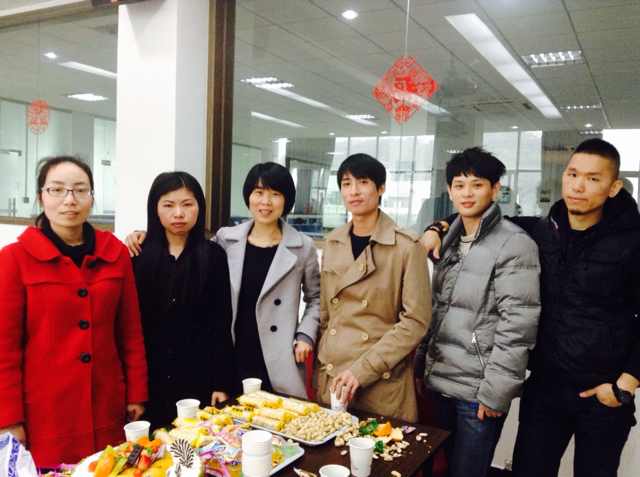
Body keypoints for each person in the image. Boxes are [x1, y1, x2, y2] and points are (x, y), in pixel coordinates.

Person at [420, 139, 640, 477]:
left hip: (602, 391)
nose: (578, 186)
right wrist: (437, 227)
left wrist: (625, 385)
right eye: (573, 174)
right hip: (545, 387)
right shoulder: (542, 230)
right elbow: (476, 212)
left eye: (593, 178)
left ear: (614, 187)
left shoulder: (631, 242)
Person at [0, 156, 147, 467]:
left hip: (106, 404)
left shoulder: (115, 254)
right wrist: (9, 419)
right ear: (41, 196)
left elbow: (130, 332)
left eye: (80, 190)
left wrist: (136, 393)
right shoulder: (14, 259)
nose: (70, 200)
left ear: (92, 198)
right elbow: (5, 349)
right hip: (46, 414)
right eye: (57, 190)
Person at [127, 162, 320, 398]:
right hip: (234, 347)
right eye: (259, 192)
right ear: (248, 196)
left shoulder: (303, 247)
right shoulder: (226, 239)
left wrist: (305, 335)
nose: (266, 202)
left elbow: (316, 298)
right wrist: (145, 236)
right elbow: (182, 250)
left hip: (276, 351)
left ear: (286, 200)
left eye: (275, 194)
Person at [414, 148, 540, 477]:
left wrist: (496, 393)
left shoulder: (514, 244)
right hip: (438, 382)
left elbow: (518, 325)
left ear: (495, 189)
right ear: (449, 191)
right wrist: (421, 364)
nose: (467, 193)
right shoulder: (450, 239)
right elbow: (438, 309)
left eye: (477, 184)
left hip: (476, 393)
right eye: (459, 185)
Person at [316, 153, 431, 423]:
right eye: (346, 184)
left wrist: (363, 370)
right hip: (333, 377)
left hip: (381, 379)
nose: (354, 191)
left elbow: (416, 321)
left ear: (381, 189)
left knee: (380, 449)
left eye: (363, 182)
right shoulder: (333, 241)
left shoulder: (407, 246)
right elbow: (326, 314)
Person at [132, 172, 235, 428]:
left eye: (187, 204)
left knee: (196, 443)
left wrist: (221, 382)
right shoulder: (138, 255)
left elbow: (221, 322)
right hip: (151, 379)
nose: (178, 213)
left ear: (200, 207)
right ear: (155, 208)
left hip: (199, 376)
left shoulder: (213, 256)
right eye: (168, 205)